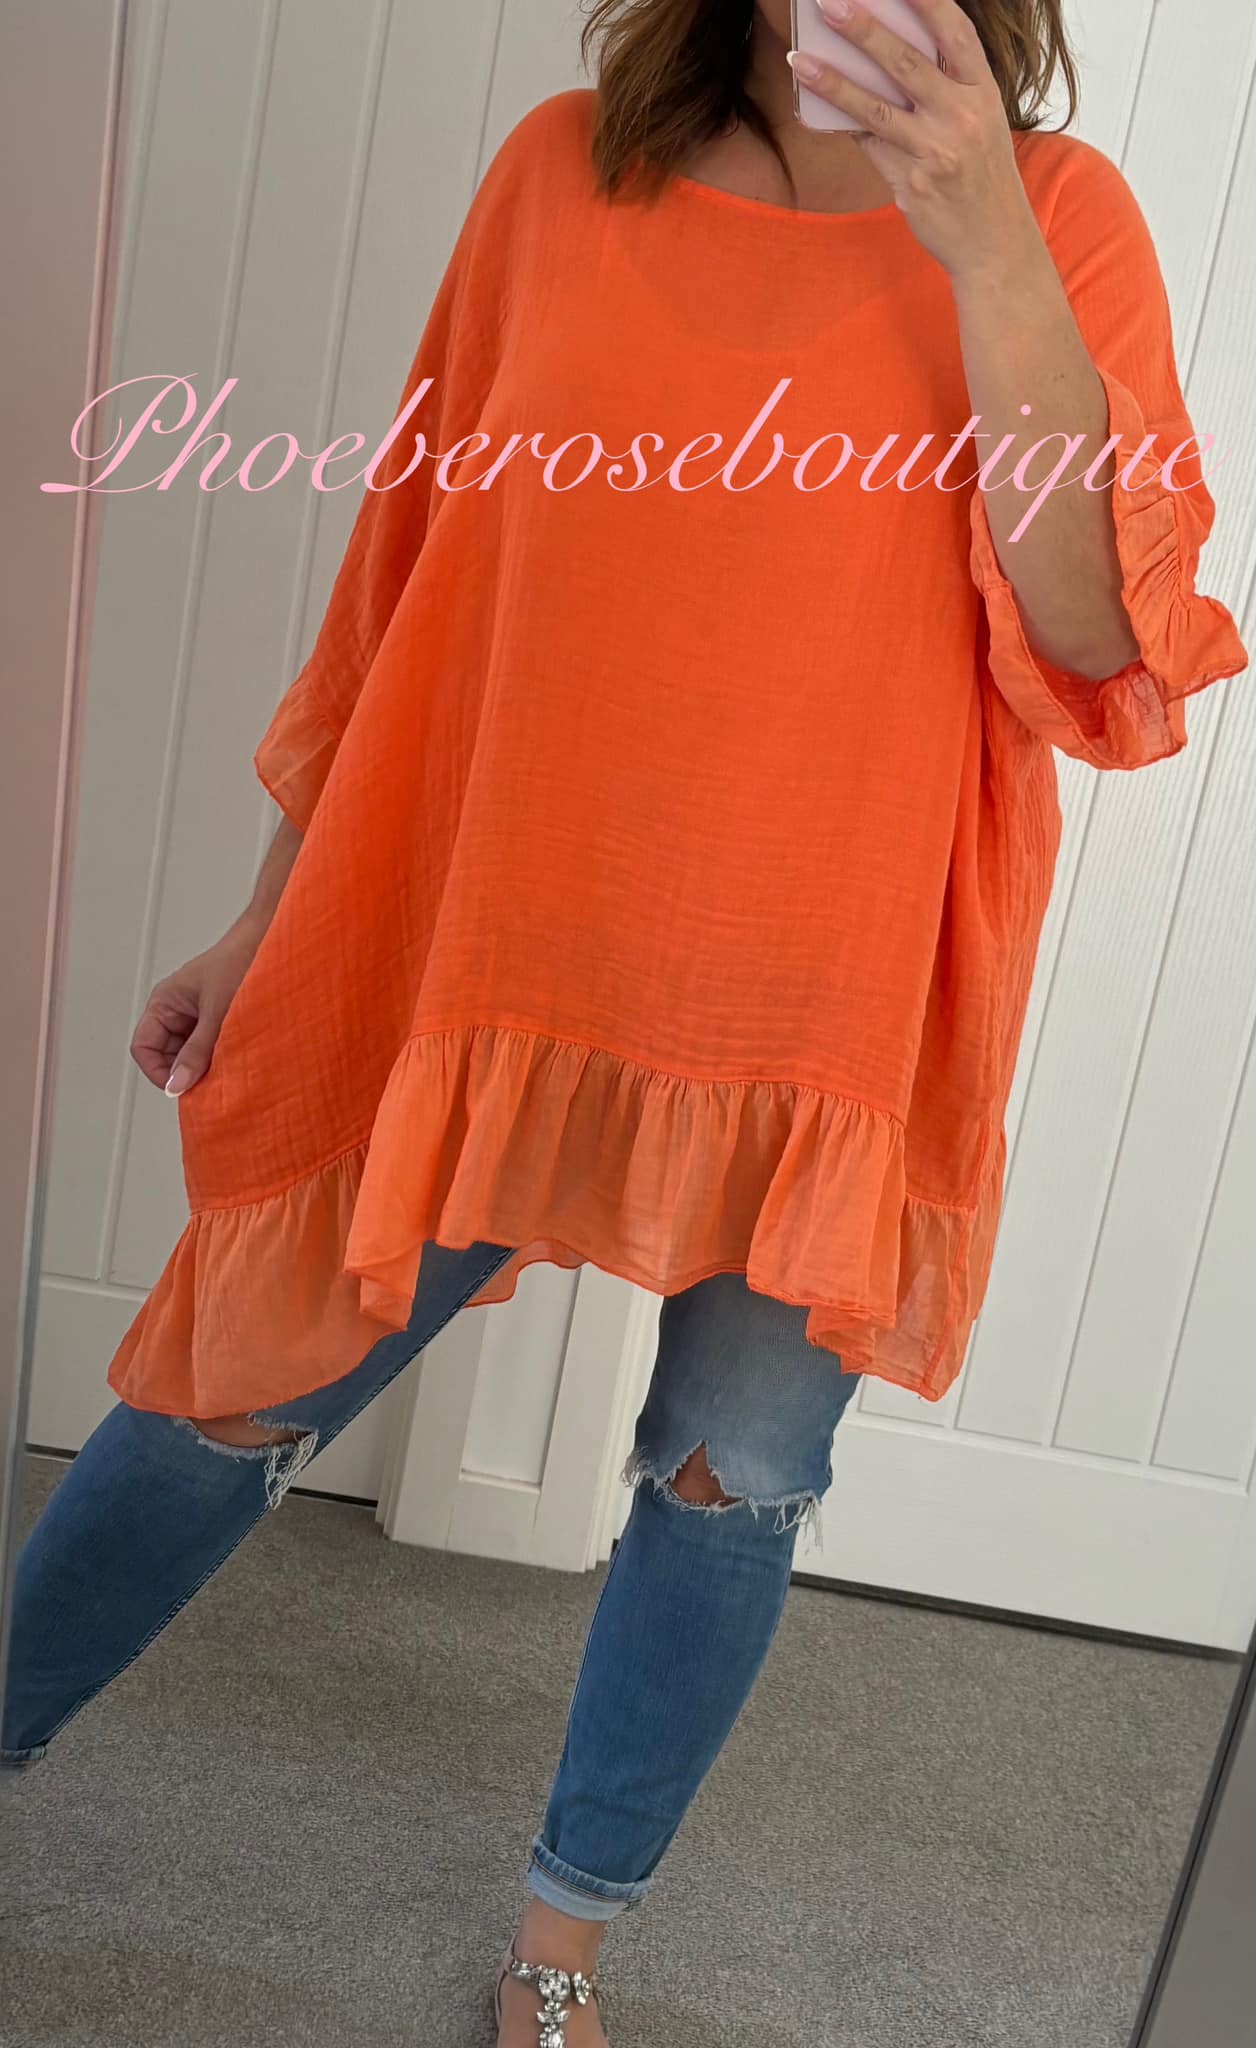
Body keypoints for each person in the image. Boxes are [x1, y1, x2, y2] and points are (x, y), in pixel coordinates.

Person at [4, 3, 1247, 2042]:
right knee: (236, 1374)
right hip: (489, 927)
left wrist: (983, 242)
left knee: (730, 1473)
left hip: (828, 984)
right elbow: (410, 573)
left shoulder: (1056, 218)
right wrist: (267, 910)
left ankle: (559, 1951)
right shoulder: (562, 172)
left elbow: (1093, 637)